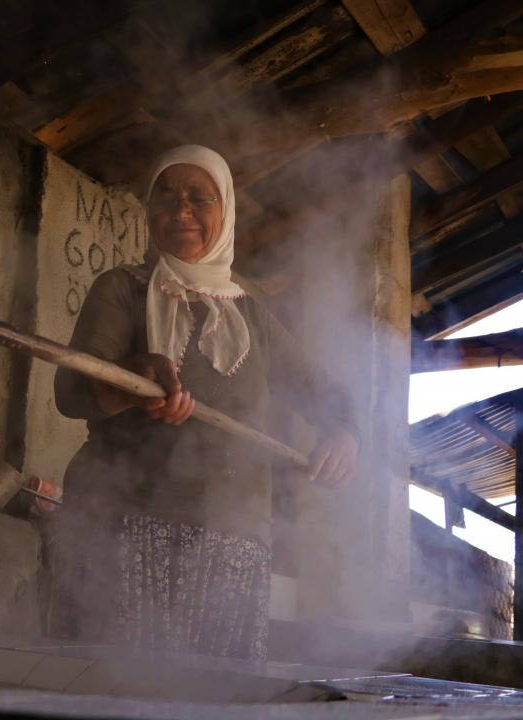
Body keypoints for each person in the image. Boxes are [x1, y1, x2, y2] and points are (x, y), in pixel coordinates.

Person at [49, 144, 358, 661]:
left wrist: (345, 435)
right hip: (122, 528)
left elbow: (328, 396)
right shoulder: (123, 289)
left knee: (213, 702)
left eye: (199, 198)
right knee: (111, 693)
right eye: (165, 197)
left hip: (233, 544)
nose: (180, 211)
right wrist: (134, 379)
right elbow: (70, 392)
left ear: (226, 211)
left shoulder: (253, 317)